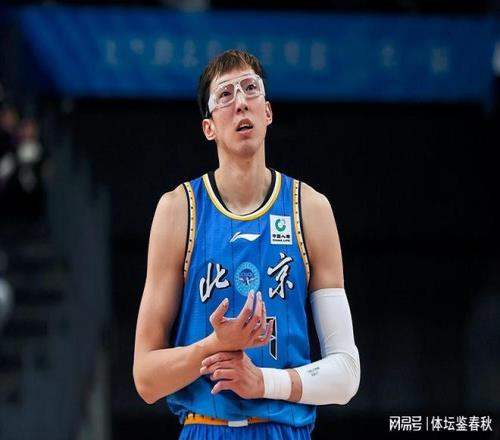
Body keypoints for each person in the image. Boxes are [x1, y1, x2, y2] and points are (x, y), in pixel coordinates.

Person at [133, 49, 360, 439]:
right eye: (225, 94)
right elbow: (146, 378)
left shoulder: (310, 208)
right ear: (209, 128)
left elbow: (346, 373)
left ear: (267, 112)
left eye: (250, 89)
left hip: (283, 429)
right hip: (205, 428)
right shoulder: (178, 211)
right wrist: (213, 345)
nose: (240, 102)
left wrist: (263, 382)